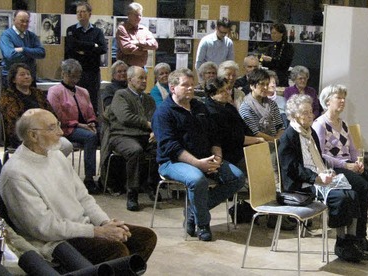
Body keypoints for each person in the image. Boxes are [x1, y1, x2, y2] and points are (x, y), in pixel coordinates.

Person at [0, 108, 157, 265]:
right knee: (116, 251)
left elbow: (83, 197)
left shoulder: (56, 155)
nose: (61, 132)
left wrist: (104, 223)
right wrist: (96, 232)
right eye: (53, 128)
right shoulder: (16, 173)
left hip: (82, 227)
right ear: (33, 135)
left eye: (58, 124)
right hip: (54, 242)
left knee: (145, 237)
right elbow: (44, 228)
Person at [152, 68, 247, 241]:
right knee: (197, 180)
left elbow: (214, 135)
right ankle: (203, 224)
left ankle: (192, 212)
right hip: (173, 161)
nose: (190, 88)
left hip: (206, 158)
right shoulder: (164, 112)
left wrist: (217, 156)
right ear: (173, 88)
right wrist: (198, 163)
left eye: (192, 84)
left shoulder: (199, 106)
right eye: (185, 85)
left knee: (238, 178)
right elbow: (170, 147)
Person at [278, 94, 368, 263]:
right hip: (301, 185)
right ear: (295, 115)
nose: (310, 116)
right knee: (340, 197)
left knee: (353, 194)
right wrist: (316, 177)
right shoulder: (288, 136)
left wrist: (326, 173)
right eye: (305, 113)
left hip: (318, 177)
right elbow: (291, 169)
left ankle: (351, 242)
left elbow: (318, 159)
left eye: (310, 112)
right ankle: (342, 244)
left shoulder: (310, 131)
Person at [313, 84, 368, 251]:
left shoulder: (343, 124)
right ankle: (359, 236)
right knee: (363, 187)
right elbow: (319, 155)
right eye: (338, 98)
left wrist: (358, 162)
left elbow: (353, 150)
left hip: (349, 164)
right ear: (327, 101)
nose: (342, 101)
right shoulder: (320, 124)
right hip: (334, 168)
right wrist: (345, 164)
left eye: (344, 98)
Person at [106, 66, 158, 211]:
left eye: (145, 78)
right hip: (122, 135)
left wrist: (155, 130)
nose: (144, 81)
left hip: (144, 136)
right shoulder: (120, 95)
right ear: (130, 80)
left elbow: (155, 119)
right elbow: (125, 117)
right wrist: (148, 125)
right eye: (140, 78)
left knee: (163, 147)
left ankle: (152, 185)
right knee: (135, 150)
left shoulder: (149, 99)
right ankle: (132, 193)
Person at [47, 59, 100, 194]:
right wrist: (80, 125)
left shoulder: (83, 91)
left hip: (85, 126)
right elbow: (58, 117)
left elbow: (90, 111)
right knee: (90, 137)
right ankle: (89, 178)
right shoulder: (55, 91)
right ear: (64, 74)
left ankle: (107, 177)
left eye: (77, 76)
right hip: (66, 128)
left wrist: (92, 122)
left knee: (104, 134)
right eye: (71, 76)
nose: (75, 79)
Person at [0, 63, 73, 157]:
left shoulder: (38, 93)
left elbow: (50, 113)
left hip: (44, 131)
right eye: (22, 74)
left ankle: (48, 167)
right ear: (13, 79)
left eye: (28, 74)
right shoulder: (8, 96)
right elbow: (14, 122)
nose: (26, 77)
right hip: (23, 135)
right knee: (55, 148)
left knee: (66, 145)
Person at [205, 77, 265, 172]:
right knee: (260, 165)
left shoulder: (228, 107)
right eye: (222, 91)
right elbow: (230, 138)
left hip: (242, 146)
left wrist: (256, 140)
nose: (227, 93)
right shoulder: (211, 112)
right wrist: (257, 140)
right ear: (212, 95)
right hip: (229, 152)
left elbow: (244, 127)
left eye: (227, 89)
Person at [65, 1, 108, 115]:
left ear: (89, 14)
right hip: (75, 73)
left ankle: (93, 126)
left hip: (92, 72)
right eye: (78, 12)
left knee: (91, 101)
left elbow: (103, 49)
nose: (80, 14)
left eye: (83, 11)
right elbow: (71, 47)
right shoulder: (71, 30)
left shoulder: (97, 31)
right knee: (75, 101)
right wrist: (93, 45)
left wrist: (83, 50)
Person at [99, 60, 128, 194]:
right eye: (119, 71)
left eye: (124, 71)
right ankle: (112, 183)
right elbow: (109, 109)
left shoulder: (131, 87)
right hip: (113, 125)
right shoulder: (110, 89)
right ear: (113, 74)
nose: (122, 74)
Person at [0, 10, 45, 89]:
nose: (25, 24)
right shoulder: (6, 35)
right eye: (22, 21)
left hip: (30, 77)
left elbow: (42, 53)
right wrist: (31, 55)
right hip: (11, 78)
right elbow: (10, 55)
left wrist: (24, 50)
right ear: (14, 20)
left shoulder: (31, 36)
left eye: (27, 21)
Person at [239, 68, 284, 143]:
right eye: (262, 84)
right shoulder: (246, 106)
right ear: (252, 86)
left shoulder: (272, 104)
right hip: (258, 145)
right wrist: (274, 140)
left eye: (267, 84)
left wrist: (277, 140)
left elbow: (280, 127)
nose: (266, 87)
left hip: (276, 143)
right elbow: (254, 132)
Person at [115, 3, 158, 67]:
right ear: (129, 15)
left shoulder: (144, 29)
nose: (139, 18)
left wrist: (138, 43)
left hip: (141, 67)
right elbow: (126, 48)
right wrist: (144, 48)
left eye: (140, 15)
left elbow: (155, 45)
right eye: (136, 15)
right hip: (126, 68)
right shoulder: (122, 28)